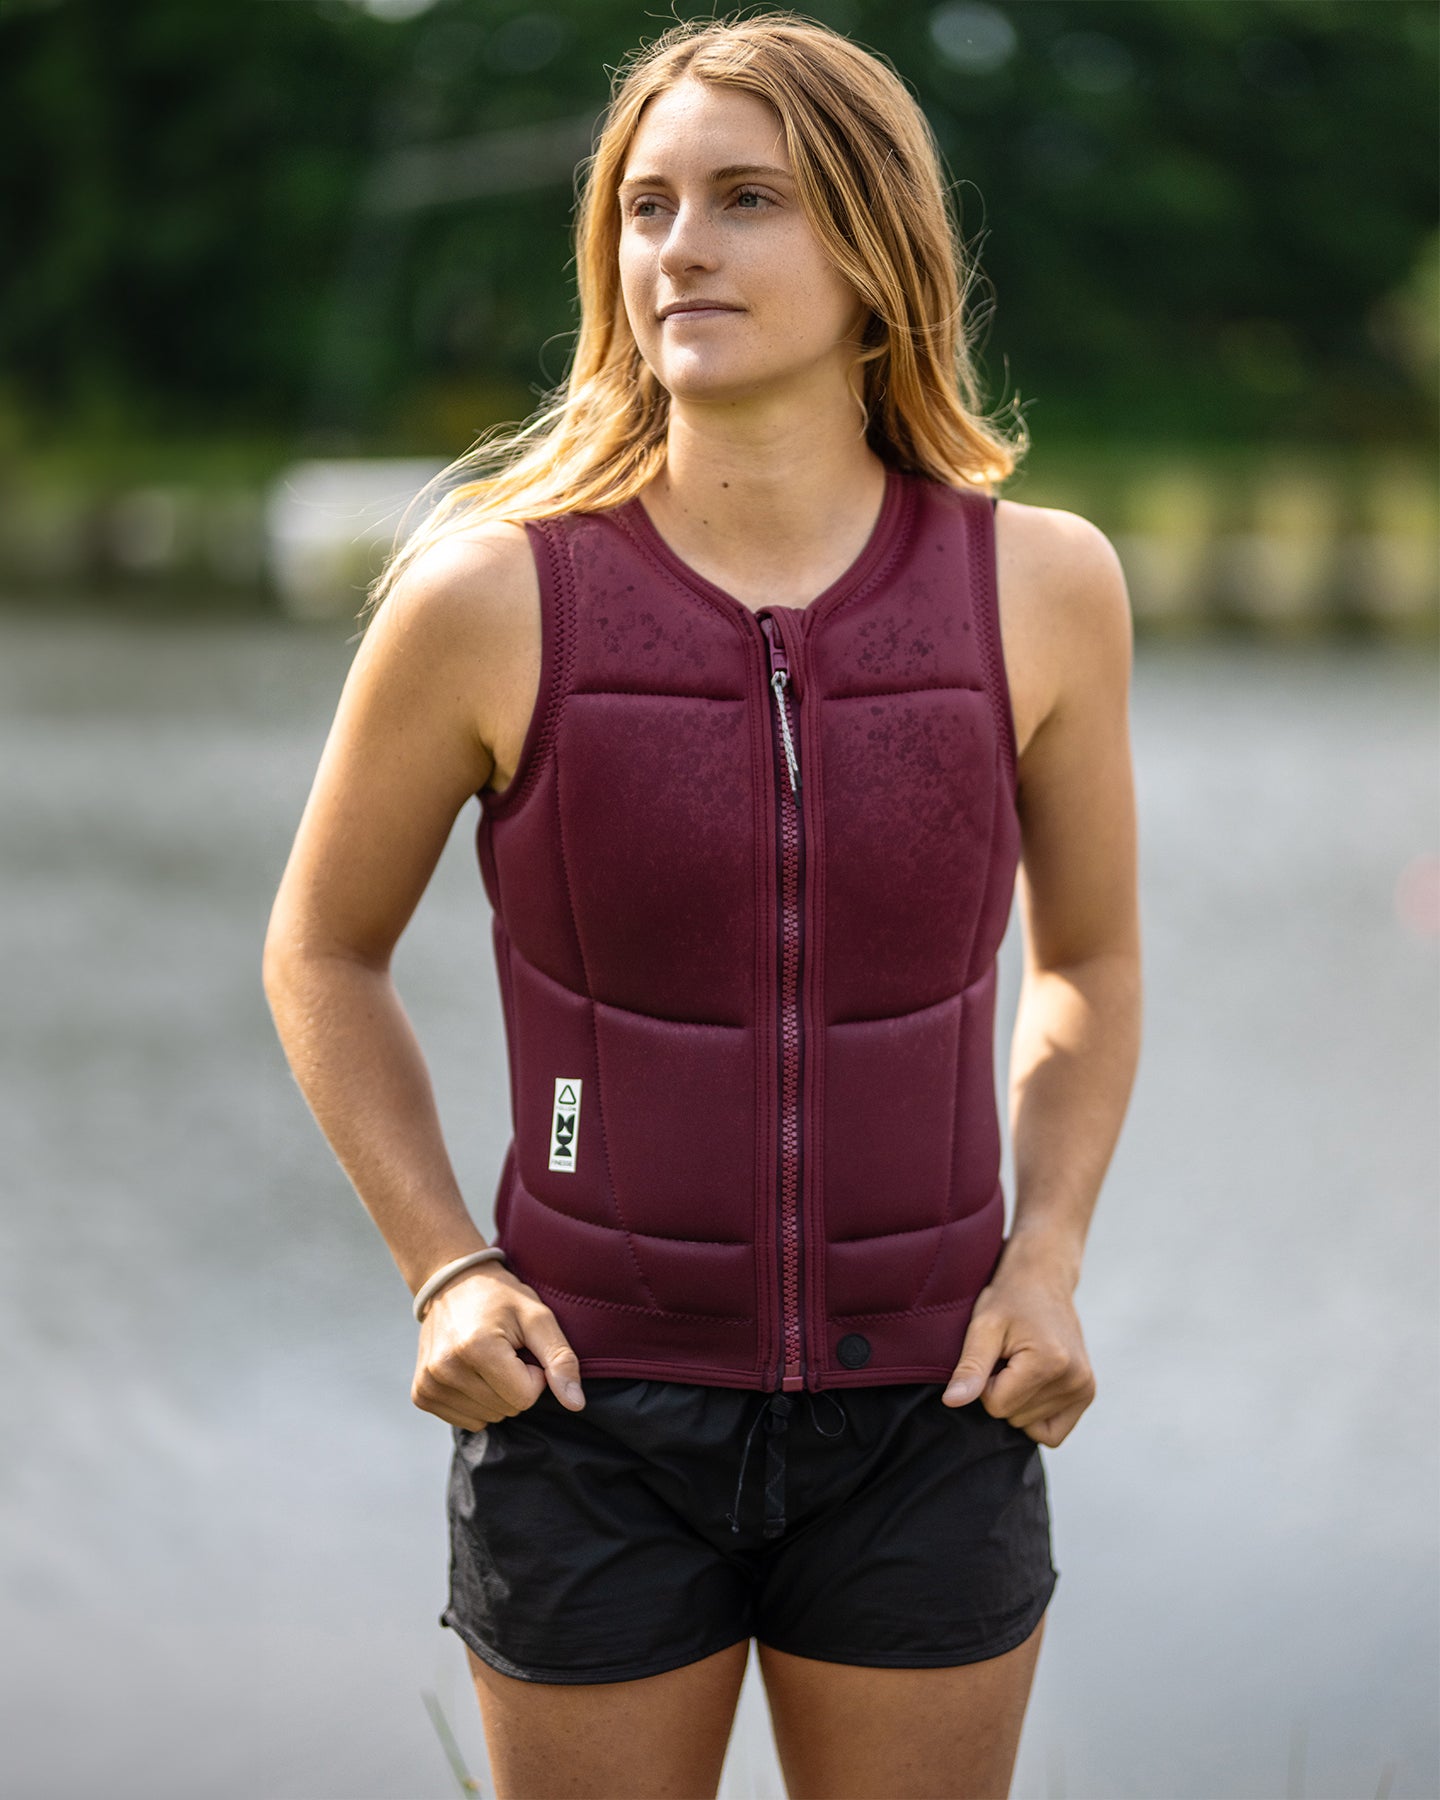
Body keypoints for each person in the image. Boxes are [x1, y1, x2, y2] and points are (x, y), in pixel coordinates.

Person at [262, 12, 1141, 1798]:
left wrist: (1048, 1257)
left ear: (877, 248)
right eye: (646, 206)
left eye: (749, 200)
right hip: (587, 1412)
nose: (682, 247)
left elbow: (1093, 962)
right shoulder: (487, 598)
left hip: (934, 1410)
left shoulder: (1044, 587)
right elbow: (322, 952)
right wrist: (445, 1269)